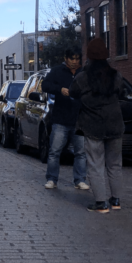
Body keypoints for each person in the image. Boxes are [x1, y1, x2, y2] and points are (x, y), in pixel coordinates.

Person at [69, 37, 126, 214]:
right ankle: (115, 200)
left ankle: (101, 203)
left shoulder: (82, 77)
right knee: (115, 164)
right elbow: (122, 93)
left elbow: (73, 93)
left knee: (95, 165)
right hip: (115, 125)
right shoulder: (116, 75)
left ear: (89, 57)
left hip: (93, 126)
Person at [40, 47, 89, 191]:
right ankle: (52, 179)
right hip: (60, 119)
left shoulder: (83, 73)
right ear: (66, 58)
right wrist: (60, 89)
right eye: (72, 59)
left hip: (79, 120)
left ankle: (80, 180)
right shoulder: (57, 71)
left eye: (77, 59)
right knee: (55, 151)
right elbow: (45, 85)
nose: (74, 62)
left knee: (81, 152)